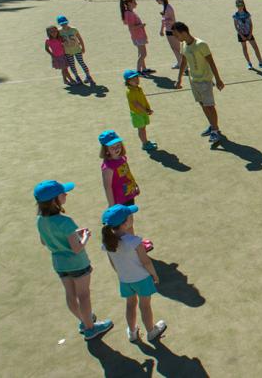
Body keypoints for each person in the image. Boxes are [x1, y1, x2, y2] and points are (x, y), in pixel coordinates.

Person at [34, 179, 114, 340]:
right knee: (84, 295)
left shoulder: (40, 220)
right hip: (78, 264)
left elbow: (44, 241)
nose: (66, 194)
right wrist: (84, 236)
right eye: (62, 193)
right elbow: (77, 248)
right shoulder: (66, 221)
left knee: (70, 295)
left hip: (59, 264)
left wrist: (72, 235)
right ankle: (90, 328)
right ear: (54, 200)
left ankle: (84, 321)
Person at [101, 204, 167, 343]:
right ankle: (151, 331)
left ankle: (132, 332)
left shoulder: (107, 242)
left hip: (124, 280)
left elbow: (113, 264)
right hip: (142, 279)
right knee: (145, 305)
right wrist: (154, 275)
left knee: (130, 304)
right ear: (126, 223)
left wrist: (122, 275)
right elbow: (146, 262)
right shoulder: (135, 241)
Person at [173, 22, 226, 145]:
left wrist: (218, 79)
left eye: (176, 35)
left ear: (183, 32)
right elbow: (184, 62)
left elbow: (211, 62)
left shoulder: (201, 44)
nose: (176, 38)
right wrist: (179, 78)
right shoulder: (183, 45)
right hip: (193, 80)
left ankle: (215, 130)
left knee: (209, 106)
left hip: (205, 80)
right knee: (202, 104)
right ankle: (212, 125)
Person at [57, 15, 94, 86]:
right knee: (72, 65)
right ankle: (77, 77)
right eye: (62, 24)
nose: (64, 24)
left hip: (77, 50)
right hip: (67, 52)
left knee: (81, 63)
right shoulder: (59, 31)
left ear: (67, 22)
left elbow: (80, 38)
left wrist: (83, 47)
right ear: (59, 24)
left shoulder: (74, 29)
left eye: (65, 23)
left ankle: (88, 76)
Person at [123, 70, 157, 151]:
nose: (136, 80)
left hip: (143, 112)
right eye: (133, 79)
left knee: (143, 128)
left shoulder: (138, 88)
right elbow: (136, 104)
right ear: (128, 81)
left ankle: (146, 142)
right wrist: (146, 111)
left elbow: (143, 99)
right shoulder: (130, 92)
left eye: (137, 78)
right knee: (141, 129)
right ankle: (144, 144)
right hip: (137, 114)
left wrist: (147, 108)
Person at [233, 0, 262, 70]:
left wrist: (250, 34)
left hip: (248, 33)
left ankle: (261, 62)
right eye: (238, 5)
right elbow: (236, 27)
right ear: (236, 6)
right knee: (244, 48)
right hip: (241, 34)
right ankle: (249, 63)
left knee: (255, 47)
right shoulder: (235, 15)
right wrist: (241, 35)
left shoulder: (247, 14)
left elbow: (251, 24)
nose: (240, 6)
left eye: (241, 5)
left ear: (243, 5)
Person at [119, 0, 152, 75]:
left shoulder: (130, 13)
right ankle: (138, 71)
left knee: (141, 53)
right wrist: (141, 25)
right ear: (129, 3)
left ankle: (143, 69)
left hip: (138, 36)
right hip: (138, 36)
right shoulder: (129, 14)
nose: (136, 3)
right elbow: (131, 27)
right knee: (143, 54)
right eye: (134, 2)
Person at [155, 0, 182, 69]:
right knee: (175, 48)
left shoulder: (168, 8)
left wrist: (165, 20)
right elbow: (164, 20)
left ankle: (183, 64)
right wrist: (161, 29)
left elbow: (172, 20)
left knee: (176, 48)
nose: (156, 0)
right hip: (169, 30)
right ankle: (180, 63)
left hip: (172, 30)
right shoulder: (165, 7)